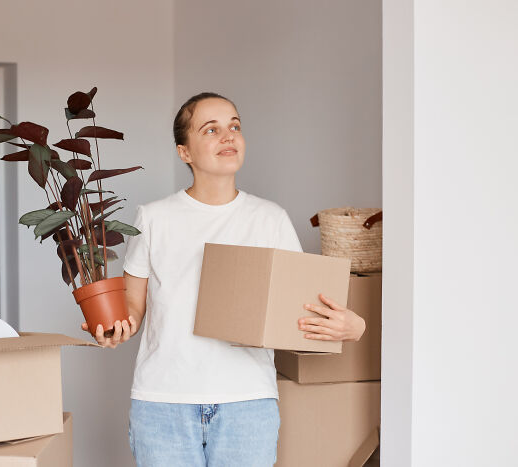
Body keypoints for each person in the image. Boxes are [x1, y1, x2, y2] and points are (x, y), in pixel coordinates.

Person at [81, 92, 366, 466]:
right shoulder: (153, 218)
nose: (228, 136)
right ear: (185, 152)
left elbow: (298, 311)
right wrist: (117, 326)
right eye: (211, 129)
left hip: (247, 404)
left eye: (234, 126)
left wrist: (353, 326)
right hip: (164, 403)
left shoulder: (270, 219)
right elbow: (134, 306)